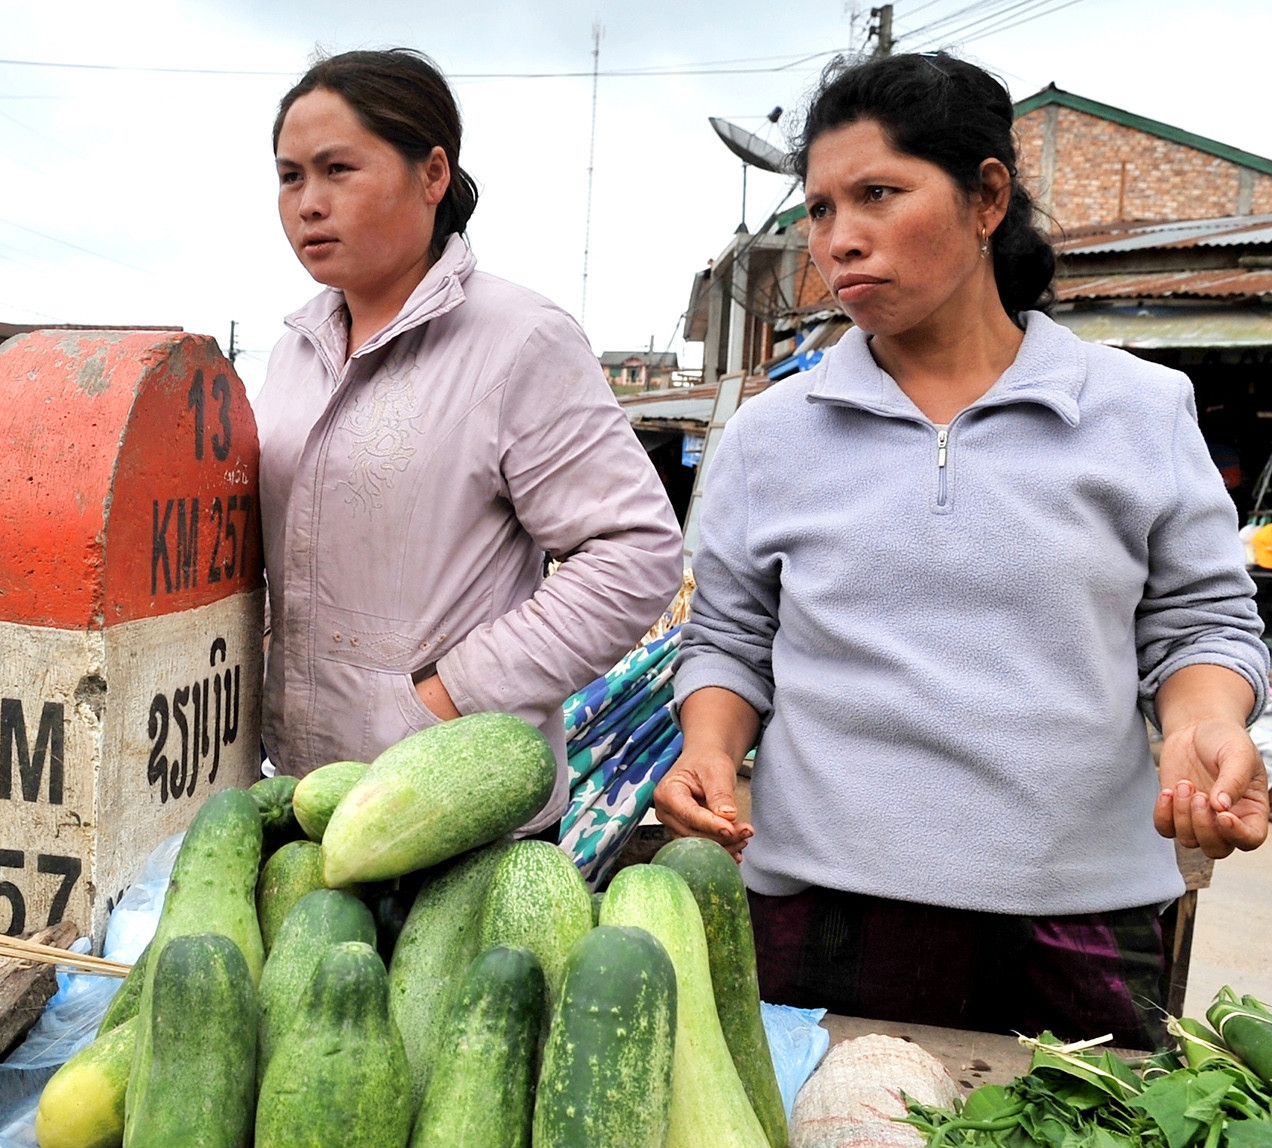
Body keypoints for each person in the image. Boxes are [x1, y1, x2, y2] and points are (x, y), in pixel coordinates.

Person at [654, 52, 1270, 1049]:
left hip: (1083, 921)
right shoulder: (774, 433)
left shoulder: (1137, 410)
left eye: (879, 195)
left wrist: (1205, 721)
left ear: (988, 197)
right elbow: (729, 634)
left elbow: (1198, 618)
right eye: (819, 210)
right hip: (822, 912)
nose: (839, 240)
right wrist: (711, 750)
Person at [257, 49, 683, 834]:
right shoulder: (294, 351)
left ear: (432, 175)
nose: (308, 203)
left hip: (458, 801)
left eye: (338, 169)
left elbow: (637, 552)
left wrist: (452, 694)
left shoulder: (520, 341)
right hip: (306, 791)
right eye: (290, 177)